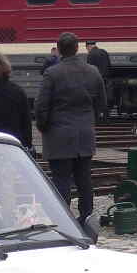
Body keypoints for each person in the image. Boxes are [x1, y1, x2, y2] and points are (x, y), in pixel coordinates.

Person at [34, 31, 108, 223]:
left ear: (59, 50)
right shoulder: (93, 72)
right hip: (84, 134)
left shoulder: (52, 74)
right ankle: (87, 217)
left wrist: (43, 126)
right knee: (84, 179)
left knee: (61, 180)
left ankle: (64, 220)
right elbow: (102, 104)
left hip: (58, 135)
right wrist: (90, 122)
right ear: (77, 48)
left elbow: (41, 106)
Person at [85, 40, 113, 115]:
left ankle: (97, 117)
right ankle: (106, 116)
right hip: (106, 79)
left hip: (96, 81)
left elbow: (90, 70)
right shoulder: (104, 52)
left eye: (87, 49)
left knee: (96, 100)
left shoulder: (91, 54)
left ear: (88, 46)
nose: (87, 51)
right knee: (105, 98)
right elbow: (109, 66)